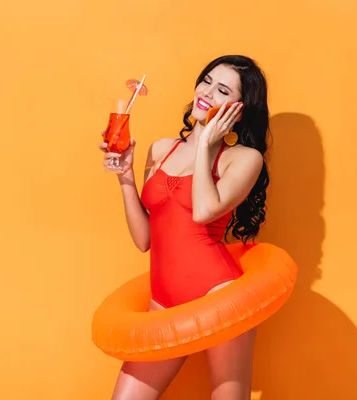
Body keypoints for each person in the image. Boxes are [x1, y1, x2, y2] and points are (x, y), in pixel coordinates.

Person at [97, 55, 271, 400]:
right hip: (163, 299)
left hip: (219, 297)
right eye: (206, 80)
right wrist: (125, 179)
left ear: (239, 108)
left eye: (222, 90)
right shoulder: (162, 149)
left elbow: (204, 211)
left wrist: (206, 144)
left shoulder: (244, 158)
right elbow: (145, 240)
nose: (206, 92)